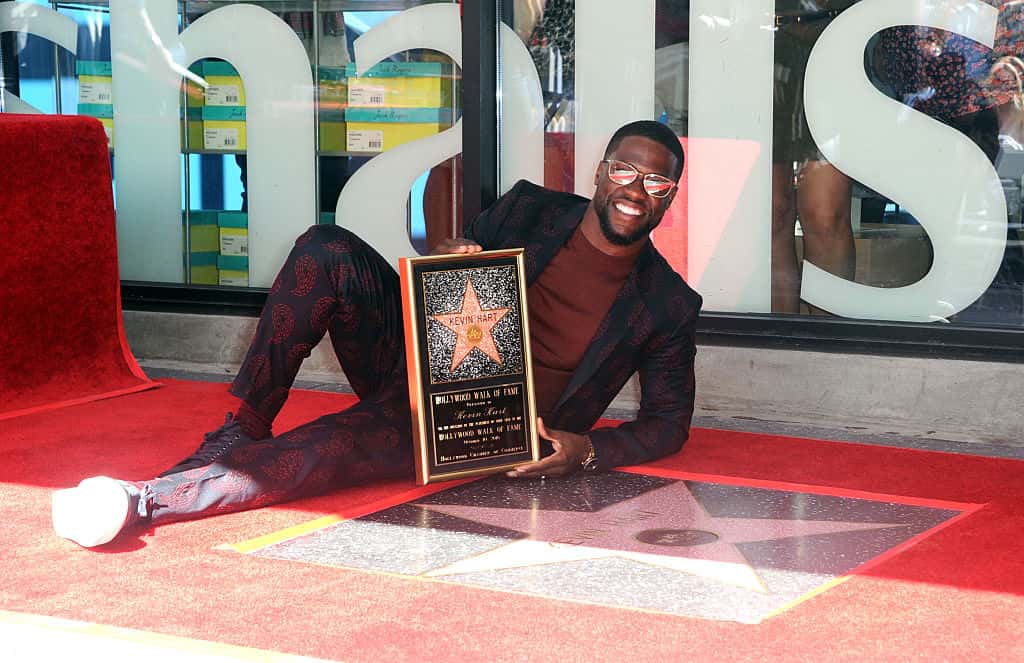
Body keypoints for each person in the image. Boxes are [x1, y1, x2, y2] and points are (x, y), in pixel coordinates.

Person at [51, 120, 703, 549]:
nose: (635, 189)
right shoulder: (530, 206)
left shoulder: (669, 302)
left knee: (325, 449)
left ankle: (139, 502)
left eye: (656, 180)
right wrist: (453, 252)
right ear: (600, 171)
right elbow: (455, 266)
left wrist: (585, 449)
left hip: (481, 432)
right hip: (420, 361)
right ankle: (240, 425)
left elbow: (668, 422)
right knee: (325, 248)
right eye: (625, 170)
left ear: (671, 196)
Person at [771, 1, 859, 314]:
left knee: (826, 215)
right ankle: (777, 342)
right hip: (752, 35)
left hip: (832, 33)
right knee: (771, 214)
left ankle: (828, 348)